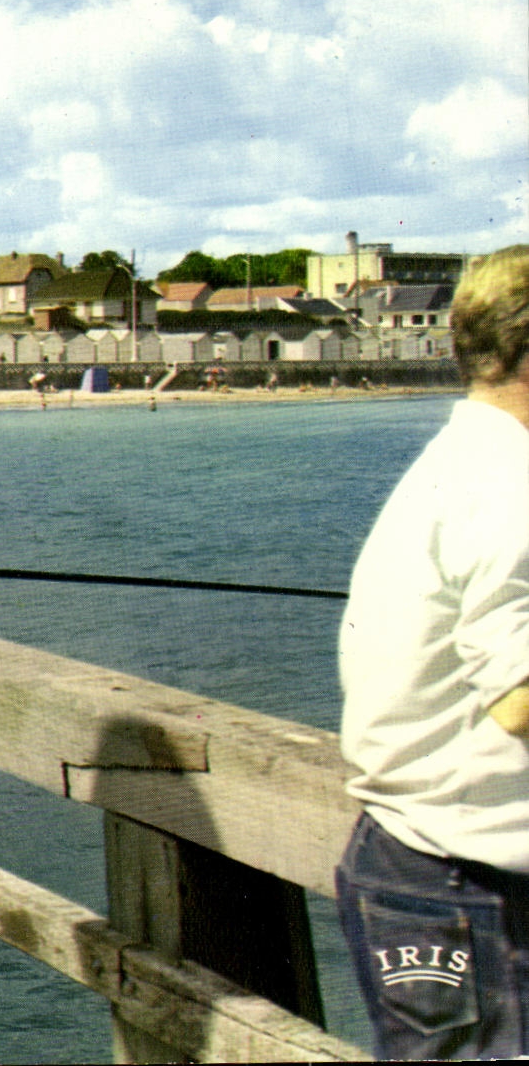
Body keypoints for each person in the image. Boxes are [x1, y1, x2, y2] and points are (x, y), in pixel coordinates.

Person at [334, 245, 528, 1060]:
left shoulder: (462, 460)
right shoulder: (512, 486)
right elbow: (519, 698)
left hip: (409, 859)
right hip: (467, 889)